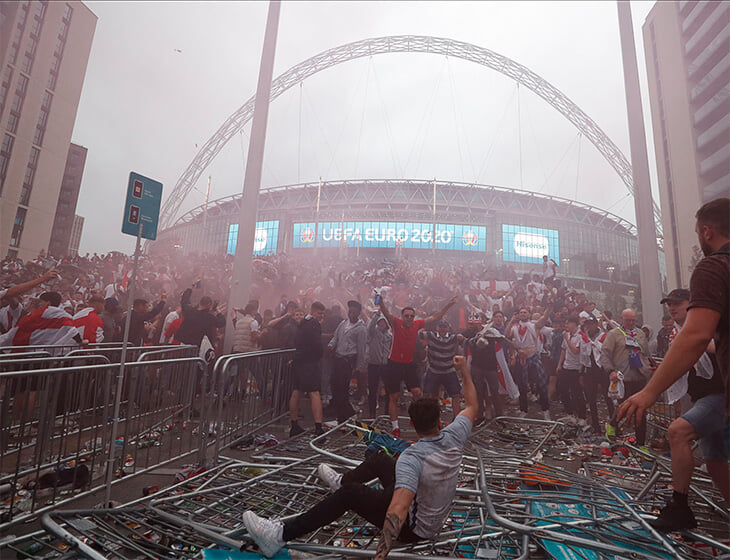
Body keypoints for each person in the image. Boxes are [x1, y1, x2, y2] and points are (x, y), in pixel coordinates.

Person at [242, 355, 478, 559]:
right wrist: (464, 371)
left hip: (414, 528)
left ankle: (278, 535)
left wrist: (379, 557)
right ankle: (340, 482)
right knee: (381, 459)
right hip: (427, 508)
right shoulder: (454, 435)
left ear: (413, 426)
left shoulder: (412, 458)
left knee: (352, 494)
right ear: (440, 421)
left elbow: (399, 508)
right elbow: (472, 404)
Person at [618, 203, 729, 436]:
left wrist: (649, 392)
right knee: (712, 454)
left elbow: (696, 336)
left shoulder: (715, 267)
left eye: (698, 234)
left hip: (715, 393)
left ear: (708, 232)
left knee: (680, 433)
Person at [641, 288, 727, 531]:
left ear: (694, 304)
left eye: (678, 303)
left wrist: (691, 346)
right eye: (669, 304)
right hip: (703, 397)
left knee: (678, 431)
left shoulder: (708, 325)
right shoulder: (678, 334)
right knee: (715, 463)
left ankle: (680, 507)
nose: (672, 308)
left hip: (719, 397)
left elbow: (711, 346)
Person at [378, 295, 457, 437]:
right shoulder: (395, 323)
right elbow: (386, 313)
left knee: (417, 393)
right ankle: (395, 428)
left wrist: (448, 305)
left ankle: (414, 417)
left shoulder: (416, 324)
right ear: (402, 317)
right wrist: (382, 303)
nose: (409, 318)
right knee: (394, 396)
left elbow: (435, 318)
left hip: (409, 364)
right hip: (394, 364)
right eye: (406, 316)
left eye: (411, 316)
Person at [601, 308, 653, 446]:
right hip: (623, 377)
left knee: (641, 412)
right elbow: (605, 355)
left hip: (640, 377)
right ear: (621, 319)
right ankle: (612, 424)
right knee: (623, 408)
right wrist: (611, 371)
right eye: (628, 320)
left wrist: (651, 367)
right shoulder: (614, 334)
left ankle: (641, 443)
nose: (630, 323)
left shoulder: (640, 334)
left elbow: (646, 354)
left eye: (633, 320)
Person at [507, 306, 552, 420]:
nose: (522, 314)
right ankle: (523, 410)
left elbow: (544, 318)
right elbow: (507, 335)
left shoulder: (534, 325)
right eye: (521, 312)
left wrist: (548, 309)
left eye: (525, 312)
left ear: (528, 314)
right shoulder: (515, 327)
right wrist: (512, 320)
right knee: (522, 386)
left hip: (533, 357)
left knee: (541, 385)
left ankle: (545, 410)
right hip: (521, 359)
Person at [289, 301, 326, 437]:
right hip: (309, 362)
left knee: (296, 391)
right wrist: (320, 355)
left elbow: (297, 340)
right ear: (313, 311)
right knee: (314, 393)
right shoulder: (314, 324)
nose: (321, 316)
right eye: (319, 313)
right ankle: (318, 427)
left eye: (323, 314)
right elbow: (317, 344)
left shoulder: (303, 322)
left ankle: (294, 425)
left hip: (299, 360)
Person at [327, 300, 367, 424]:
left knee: (342, 388)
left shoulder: (361, 329)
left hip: (348, 361)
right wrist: (331, 345)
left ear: (359, 313)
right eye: (350, 311)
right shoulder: (343, 323)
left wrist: (358, 367)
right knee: (334, 385)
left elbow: (361, 349)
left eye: (354, 311)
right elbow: (336, 337)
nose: (351, 313)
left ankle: (343, 417)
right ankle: (346, 412)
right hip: (338, 358)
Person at [420, 320, 463, 420]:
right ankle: (433, 417)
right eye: (440, 327)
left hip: (449, 370)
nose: (442, 329)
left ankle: (457, 419)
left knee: (456, 395)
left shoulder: (453, 338)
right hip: (434, 370)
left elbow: (465, 340)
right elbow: (417, 334)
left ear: (448, 328)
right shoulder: (430, 335)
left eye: (444, 327)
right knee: (429, 394)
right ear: (437, 328)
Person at [580, 318, 611, 433]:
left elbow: (608, 352)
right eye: (586, 325)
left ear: (596, 324)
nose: (589, 327)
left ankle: (613, 425)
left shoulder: (604, 336)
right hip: (589, 370)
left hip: (603, 370)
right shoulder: (584, 337)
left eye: (590, 324)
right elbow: (583, 356)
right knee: (591, 399)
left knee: (608, 398)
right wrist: (582, 373)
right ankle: (596, 425)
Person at [556, 315, 587, 425]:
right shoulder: (567, 335)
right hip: (566, 367)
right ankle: (569, 414)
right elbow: (564, 350)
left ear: (574, 324)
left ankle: (582, 416)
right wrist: (559, 364)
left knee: (576, 393)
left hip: (576, 368)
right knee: (563, 391)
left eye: (568, 323)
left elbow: (575, 351)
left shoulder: (580, 336)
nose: (566, 325)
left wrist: (567, 339)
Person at [175, 283, 224, 347]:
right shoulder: (209, 317)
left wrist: (191, 286)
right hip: (196, 347)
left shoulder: (190, 311)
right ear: (209, 305)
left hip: (183, 344)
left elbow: (184, 300)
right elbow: (221, 323)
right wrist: (219, 312)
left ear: (200, 302)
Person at [366, 312, 392, 418]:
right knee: (372, 390)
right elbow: (370, 326)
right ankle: (372, 414)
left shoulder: (390, 336)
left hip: (385, 365)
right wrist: (376, 315)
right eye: (380, 322)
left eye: (384, 322)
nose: (382, 324)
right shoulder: (373, 332)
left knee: (388, 390)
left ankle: (386, 413)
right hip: (373, 364)